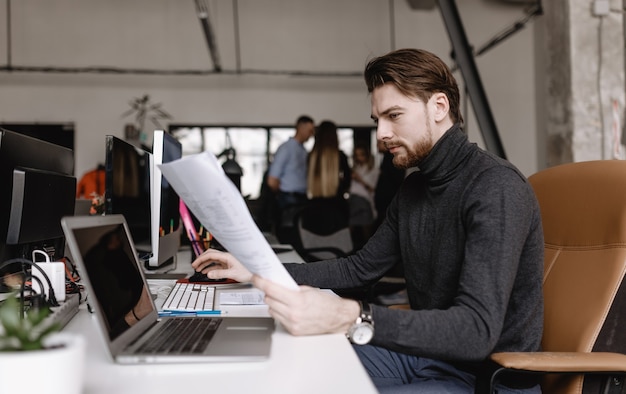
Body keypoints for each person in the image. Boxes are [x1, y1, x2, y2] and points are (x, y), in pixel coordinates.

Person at [192, 48, 544, 393]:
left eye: (394, 116)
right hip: (427, 357)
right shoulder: (414, 188)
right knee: (290, 363)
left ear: (439, 107)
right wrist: (255, 270)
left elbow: (475, 331)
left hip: (487, 378)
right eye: (379, 121)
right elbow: (359, 268)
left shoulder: (495, 186)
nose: (381, 135)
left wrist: (350, 316)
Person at [267, 115, 316, 242]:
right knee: (288, 237)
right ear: (301, 128)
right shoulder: (286, 148)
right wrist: (282, 195)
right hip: (287, 199)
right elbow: (272, 180)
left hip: (301, 199)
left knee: (300, 237)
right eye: (310, 130)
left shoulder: (303, 151)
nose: (312, 134)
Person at [306, 120, 351, 200]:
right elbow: (347, 181)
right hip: (337, 203)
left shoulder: (311, 157)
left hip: (315, 203)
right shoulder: (340, 156)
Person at [348, 143, 379, 249]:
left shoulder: (374, 170)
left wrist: (359, 179)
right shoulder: (355, 169)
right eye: (357, 155)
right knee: (351, 230)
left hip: (365, 202)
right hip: (353, 201)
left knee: (367, 232)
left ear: (367, 155)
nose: (359, 158)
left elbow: (372, 189)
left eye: (361, 155)